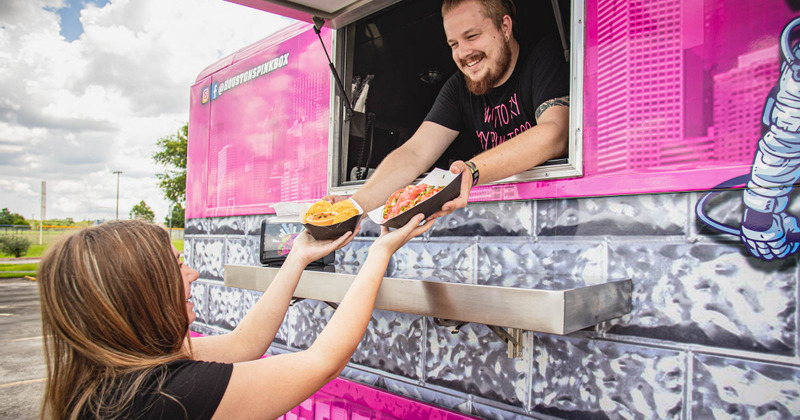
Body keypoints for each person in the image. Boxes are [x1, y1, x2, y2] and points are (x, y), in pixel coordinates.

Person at [37, 216, 433, 419]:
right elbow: (323, 361)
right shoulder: (169, 395)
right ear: (142, 294)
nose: (192, 274)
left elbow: (244, 344)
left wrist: (297, 256)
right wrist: (381, 251)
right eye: (178, 267)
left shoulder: (116, 373)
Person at [346, 0, 570, 219]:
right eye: (454, 44)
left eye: (472, 36)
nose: (463, 53)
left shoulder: (542, 55)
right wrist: (354, 207)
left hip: (559, 210)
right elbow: (415, 152)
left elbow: (555, 133)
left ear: (505, 27)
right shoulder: (458, 87)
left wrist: (471, 171)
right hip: (499, 217)